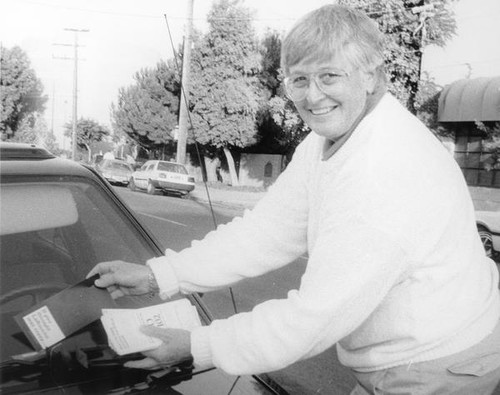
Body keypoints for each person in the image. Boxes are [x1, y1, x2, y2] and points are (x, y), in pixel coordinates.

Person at [88, 4, 500, 394]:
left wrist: (197, 345)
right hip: (403, 360)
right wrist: (159, 275)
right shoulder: (329, 136)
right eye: (298, 79)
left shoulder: (384, 171)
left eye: (329, 76)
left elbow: (314, 317)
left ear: (372, 76)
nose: (312, 96)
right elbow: (266, 232)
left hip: (441, 366)